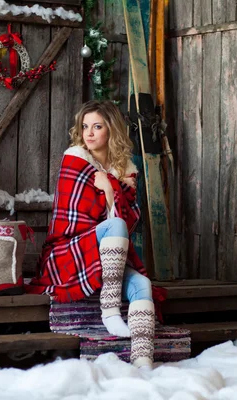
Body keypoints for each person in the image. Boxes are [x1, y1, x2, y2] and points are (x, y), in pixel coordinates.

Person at [26, 100, 156, 369]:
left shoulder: (126, 171)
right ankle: (109, 311)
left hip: (108, 258)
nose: (89, 133)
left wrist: (109, 188)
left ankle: (144, 362)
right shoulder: (75, 159)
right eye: (85, 126)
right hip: (68, 253)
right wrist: (114, 188)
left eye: (97, 126)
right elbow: (79, 220)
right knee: (115, 227)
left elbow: (129, 223)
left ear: (112, 131)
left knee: (143, 285)